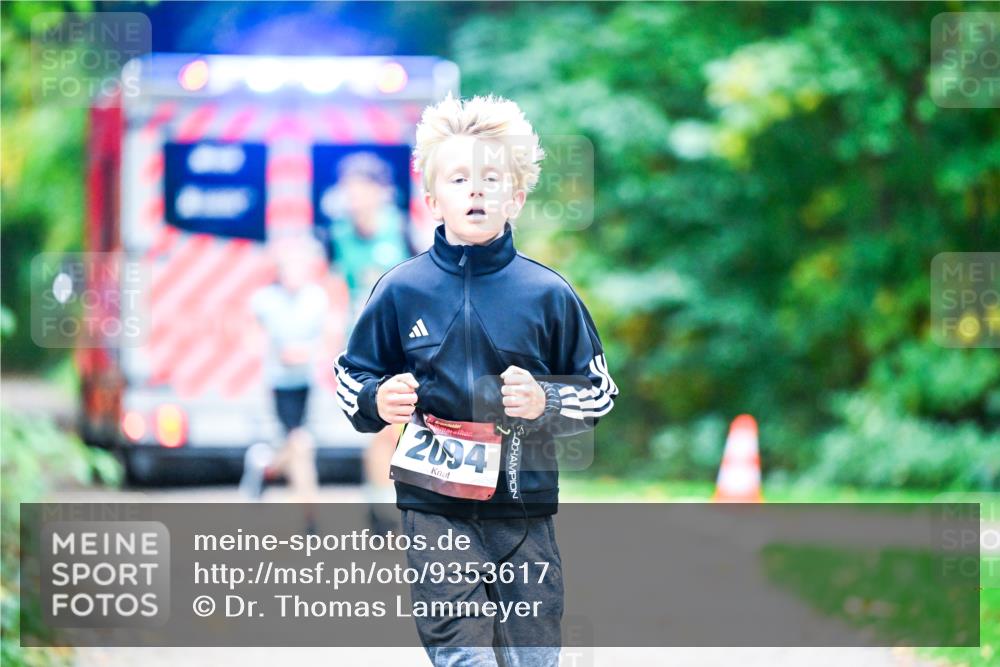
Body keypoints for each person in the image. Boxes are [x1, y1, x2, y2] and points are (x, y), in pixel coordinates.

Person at [334, 93, 618, 666]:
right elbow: (350, 374)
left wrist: (545, 399)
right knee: (463, 656)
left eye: (492, 179)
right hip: (432, 506)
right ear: (432, 199)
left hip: (523, 511)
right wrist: (376, 397)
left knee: (532, 659)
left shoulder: (548, 294)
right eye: (460, 179)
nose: (476, 191)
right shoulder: (400, 290)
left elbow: (599, 393)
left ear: (516, 197)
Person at [317, 151, 413, 534]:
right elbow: (335, 293)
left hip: (403, 344)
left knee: (396, 429)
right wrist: (331, 347)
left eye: (359, 190)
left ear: (380, 192)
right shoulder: (337, 235)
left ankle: (388, 508)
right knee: (380, 426)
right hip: (364, 349)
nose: (353, 198)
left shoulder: (402, 230)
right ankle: (380, 514)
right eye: (348, 190)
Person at [240, 237, 328, 535]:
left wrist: (308, 352)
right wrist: (271, 350)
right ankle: (310, 519)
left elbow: (329, 339)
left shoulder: (316, 298)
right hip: (279, 385)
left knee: (298, 447)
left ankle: (266, 469)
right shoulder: (265, 300)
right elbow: (250, 335)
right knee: (301, 445)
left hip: (307, 384)